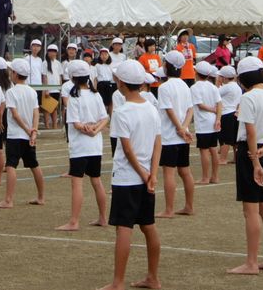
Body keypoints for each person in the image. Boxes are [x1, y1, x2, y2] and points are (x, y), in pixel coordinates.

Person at [99, 60, 162, 290]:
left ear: (122, 84)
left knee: (124, 228)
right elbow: (158, 143)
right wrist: (152, 174)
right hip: (146, 178)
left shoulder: (123, 111)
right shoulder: (150, 107)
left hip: (128, 177)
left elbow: (126, 149)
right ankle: (153, 277)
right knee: (148, 225)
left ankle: (118, 282)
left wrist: (144, 173)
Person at [227, 56, 263, 275]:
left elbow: (250, 131)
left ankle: (251, 262)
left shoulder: (249, 97)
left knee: (250, 210)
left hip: (251, 153)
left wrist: (255, 159)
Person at [56, 60, 109, 231]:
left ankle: (74, 221)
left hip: (80, 146)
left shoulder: (74, 97)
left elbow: (75, 123)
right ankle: (103, 217)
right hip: (95, 145)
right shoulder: (96, 95)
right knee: (96, 181)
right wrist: (95, 130)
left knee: (77, 183)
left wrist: (88, 130)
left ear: (72, 78)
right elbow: (105, 118)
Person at [0, 58, 45, 208]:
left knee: (11, 165)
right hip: (28, 135)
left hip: (16, 135)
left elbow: (15, 115)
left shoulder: (11, 92)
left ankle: (8, 200)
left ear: (15, 74)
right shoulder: (32, 91)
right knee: (34, 164)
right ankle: (41, 196)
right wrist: (33, 130)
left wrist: (28, 130)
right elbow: (36, 112)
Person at [156, 50, 195, 218]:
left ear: (167, 66)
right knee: (185, 171)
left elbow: (169, 110)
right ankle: (189, 206)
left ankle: (169, 209)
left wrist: (179, 128)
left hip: (169, 136)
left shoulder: (164, 87)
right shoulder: (185, 85)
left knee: (169, 172)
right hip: (182, 135)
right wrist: (184, 127)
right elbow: (190, 109)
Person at [191, 61, 222, 185]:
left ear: (196, 73)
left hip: (203, 122)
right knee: (213, 149)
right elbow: (219, 103)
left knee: (204, 150)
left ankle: (205, 177)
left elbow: (199, 104)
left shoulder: (194, 87)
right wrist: (218, 118)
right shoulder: (212, 87)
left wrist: (212, 110)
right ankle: (215, 176)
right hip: (213, 120)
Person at [217, 65, 242, 165]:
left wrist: (217, 83)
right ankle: (236, 158)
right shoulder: (237, 87)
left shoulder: (226, 87)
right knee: (235, 139)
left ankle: (223, 159)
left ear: (225, 77)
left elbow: (215, 95)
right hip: (235, 113)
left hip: (226, 114)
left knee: (224, 138)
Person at [42, 44, 63, 129]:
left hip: (56, 89)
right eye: (50, 51)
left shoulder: (58, 63)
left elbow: (60, 76)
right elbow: (44, 76)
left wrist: (60, 88)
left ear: (56, 53)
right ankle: (47, 125)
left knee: (54, 108)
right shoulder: (45, 63)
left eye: (54, 51)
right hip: (49, 89)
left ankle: (54, 125)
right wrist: (46, 89)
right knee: (47, 108)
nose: (52, 53)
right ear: (47, 52)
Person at [96, 48, 116, 113]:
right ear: (99, 56)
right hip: (101, 85)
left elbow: (113, 75)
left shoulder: (111, 65)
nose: (104, 56)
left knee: (110, 102)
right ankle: (104, 116)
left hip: (110, 84)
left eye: (105, 54)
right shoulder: (97, 65)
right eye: (102, 54)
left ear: (108, 55)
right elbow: (96, 78)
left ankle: (111, 116)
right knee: (102, 102)